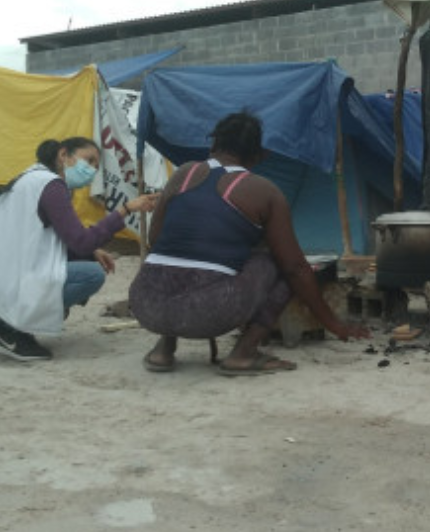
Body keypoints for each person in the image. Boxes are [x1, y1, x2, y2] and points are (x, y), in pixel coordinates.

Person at [129, 111, 370, 375]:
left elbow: (155, 238)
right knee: (278, 261)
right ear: (259, 156)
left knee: (175, 260)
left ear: (213, 145)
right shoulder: (264, 191)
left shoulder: (183, 174)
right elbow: (295, 269)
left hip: (146, 303)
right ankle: (244, 353)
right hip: (208, 313)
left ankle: (164, 350)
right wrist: (334, 323)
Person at [0, 137, 158, 362]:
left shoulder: (32, 179)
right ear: (63, 155)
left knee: (87, 261)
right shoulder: (51, 185)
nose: (91, 170)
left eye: (96, 166)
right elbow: (81, 241)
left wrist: (91, 252)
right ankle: (10, 330)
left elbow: (42, 243)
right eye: (88, 160)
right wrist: (126, 209)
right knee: (92, 275)